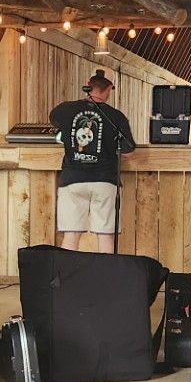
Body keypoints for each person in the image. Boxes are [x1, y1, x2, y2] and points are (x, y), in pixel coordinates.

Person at [50, 70, 137, 252]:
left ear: (88, 84)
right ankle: (106, 280)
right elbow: (128, 151)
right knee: (105, 235)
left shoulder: (65, 109)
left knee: (71, 235)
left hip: (72, 179)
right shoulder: (116, 117)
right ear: (109, 89)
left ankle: (67, 279)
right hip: (105, 180)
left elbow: (54, 121)